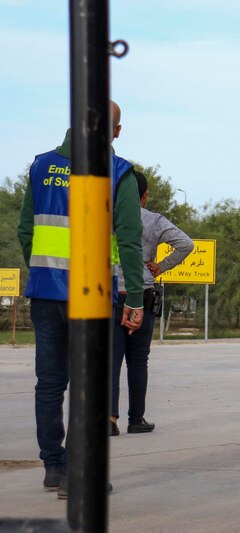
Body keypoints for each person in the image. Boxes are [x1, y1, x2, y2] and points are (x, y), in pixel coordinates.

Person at [17, 101, 144, 498]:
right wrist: (135, 298)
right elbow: (128, 240)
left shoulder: (40, 166)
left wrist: (45, 272)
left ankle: (54, 467)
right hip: (91, 296)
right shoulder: (118, 172)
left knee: (50, 383)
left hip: (45, 293)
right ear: (116, 131)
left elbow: (25, 231)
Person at [111, 170, 194, 436]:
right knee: (138, 360)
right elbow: (185, 244)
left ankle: (109, 419)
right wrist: (159, 267)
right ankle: (136, 419)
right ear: (144, 196)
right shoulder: (154, 221)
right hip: (141, 298)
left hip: (110, 296)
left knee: (111, 360)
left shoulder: (106, 217)